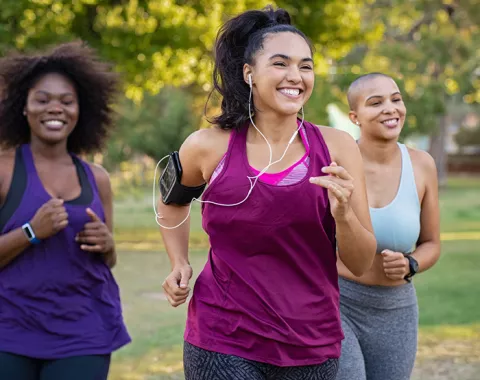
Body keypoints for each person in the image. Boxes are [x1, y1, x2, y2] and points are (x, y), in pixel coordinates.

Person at [157, 6, 377, 380]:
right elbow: (171, 200)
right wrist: (178, 261)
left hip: (310, 341)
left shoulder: (338, 147)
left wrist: (344, 216)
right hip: (222, 336)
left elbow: (360, 262)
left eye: (305, 66)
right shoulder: (207, 147)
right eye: (280, 63)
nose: (296, 76)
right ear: (249, 74)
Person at [0, 41, 130, 380]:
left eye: (66, 101)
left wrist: (107, 244)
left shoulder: (97, 178)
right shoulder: (3, 171)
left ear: (79, 111)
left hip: (83, 335)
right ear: (23, 108)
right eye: (42, 100)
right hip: (9, 332)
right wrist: (31, 232)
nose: (54, 108)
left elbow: (110, 260)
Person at [336, 73, 441, 380]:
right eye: (376, 102)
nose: (390, 108)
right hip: (339, 303)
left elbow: (432, 242)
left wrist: (411, 263)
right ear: (355, 117)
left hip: (397, 309)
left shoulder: (422, 165)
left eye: (396, 99)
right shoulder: (336, 164)